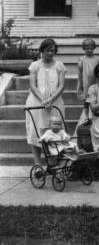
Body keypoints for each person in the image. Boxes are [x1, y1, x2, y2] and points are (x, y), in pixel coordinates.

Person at [25, 38, 66, 166]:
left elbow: (61, 86)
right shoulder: (35, 65)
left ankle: (53, 164)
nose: (50, 53)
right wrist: (43, 99)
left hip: (55, 102)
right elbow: (33, 85)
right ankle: (37, 164)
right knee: (36, 131)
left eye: (52, 51)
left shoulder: (60, 66)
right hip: (36, 102)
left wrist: (51, 99)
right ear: (42, 51)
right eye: (47, 50)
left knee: (54, 132)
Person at [77, 38, 99, 123]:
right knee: (86, 102)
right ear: (83, 48)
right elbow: (80, 72)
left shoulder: (97, 59)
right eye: (87, 48)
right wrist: (80, 84)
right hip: (86, 83)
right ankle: (86, 117)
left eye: (91, 48)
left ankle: (95, 116)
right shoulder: (82, 59)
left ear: (94, 48)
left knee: (95, 100)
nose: (89, 50)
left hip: (94, 82)